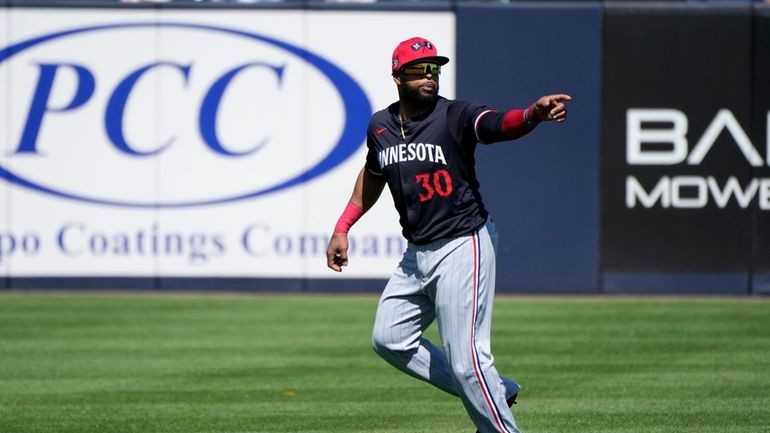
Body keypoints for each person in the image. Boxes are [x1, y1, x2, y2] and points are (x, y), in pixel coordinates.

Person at [325, 36, 570, 433]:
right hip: (416, 252)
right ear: (398, 76)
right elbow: (372, 177)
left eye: (434, 68)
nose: (429, 76)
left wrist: (531, 115)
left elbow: (495, 125)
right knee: (389, 337)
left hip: (463, 243)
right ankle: (496, 389)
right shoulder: (381, 126)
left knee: (467, 360)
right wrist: (343, 226)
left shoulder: (453, 115)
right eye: (420, 69)